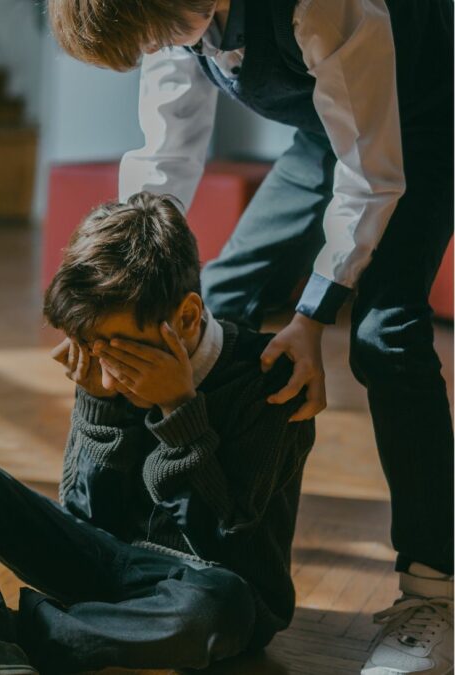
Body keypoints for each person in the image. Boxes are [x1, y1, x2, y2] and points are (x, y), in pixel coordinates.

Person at [49, 2, 454, 673]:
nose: (161, 47)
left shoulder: (319, 6)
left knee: (386, 337)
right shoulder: (163, 16)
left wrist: (313, 316)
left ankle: (433, 590)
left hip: (427, 121)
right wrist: (126, 274)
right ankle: (186, 540)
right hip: (328, 136)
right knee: (213, 301)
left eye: (158, 34)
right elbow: (166, 150)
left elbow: (374, 175)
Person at [0, 193, 316, 674]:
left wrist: (178, 409)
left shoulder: (273, 381)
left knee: (217, 606)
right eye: (91, 349)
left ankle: (1, 637)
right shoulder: (104, 357)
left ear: (185, 317)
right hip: (106, 564)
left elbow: (223, 541)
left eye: (124, 354)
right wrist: (100, 406)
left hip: (206, 585)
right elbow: (87, 517)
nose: (109, 371)